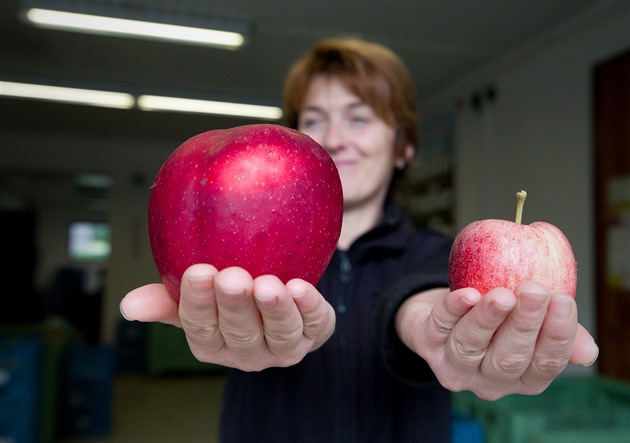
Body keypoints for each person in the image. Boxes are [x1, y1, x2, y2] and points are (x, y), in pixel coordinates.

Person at [120, 37, 598, 442]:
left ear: (404, 145)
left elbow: (425, 294)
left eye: (359, 117)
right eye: (314, 119)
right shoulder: (261, 260)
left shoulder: (435, 252)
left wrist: (426, 324)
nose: (335, 137)